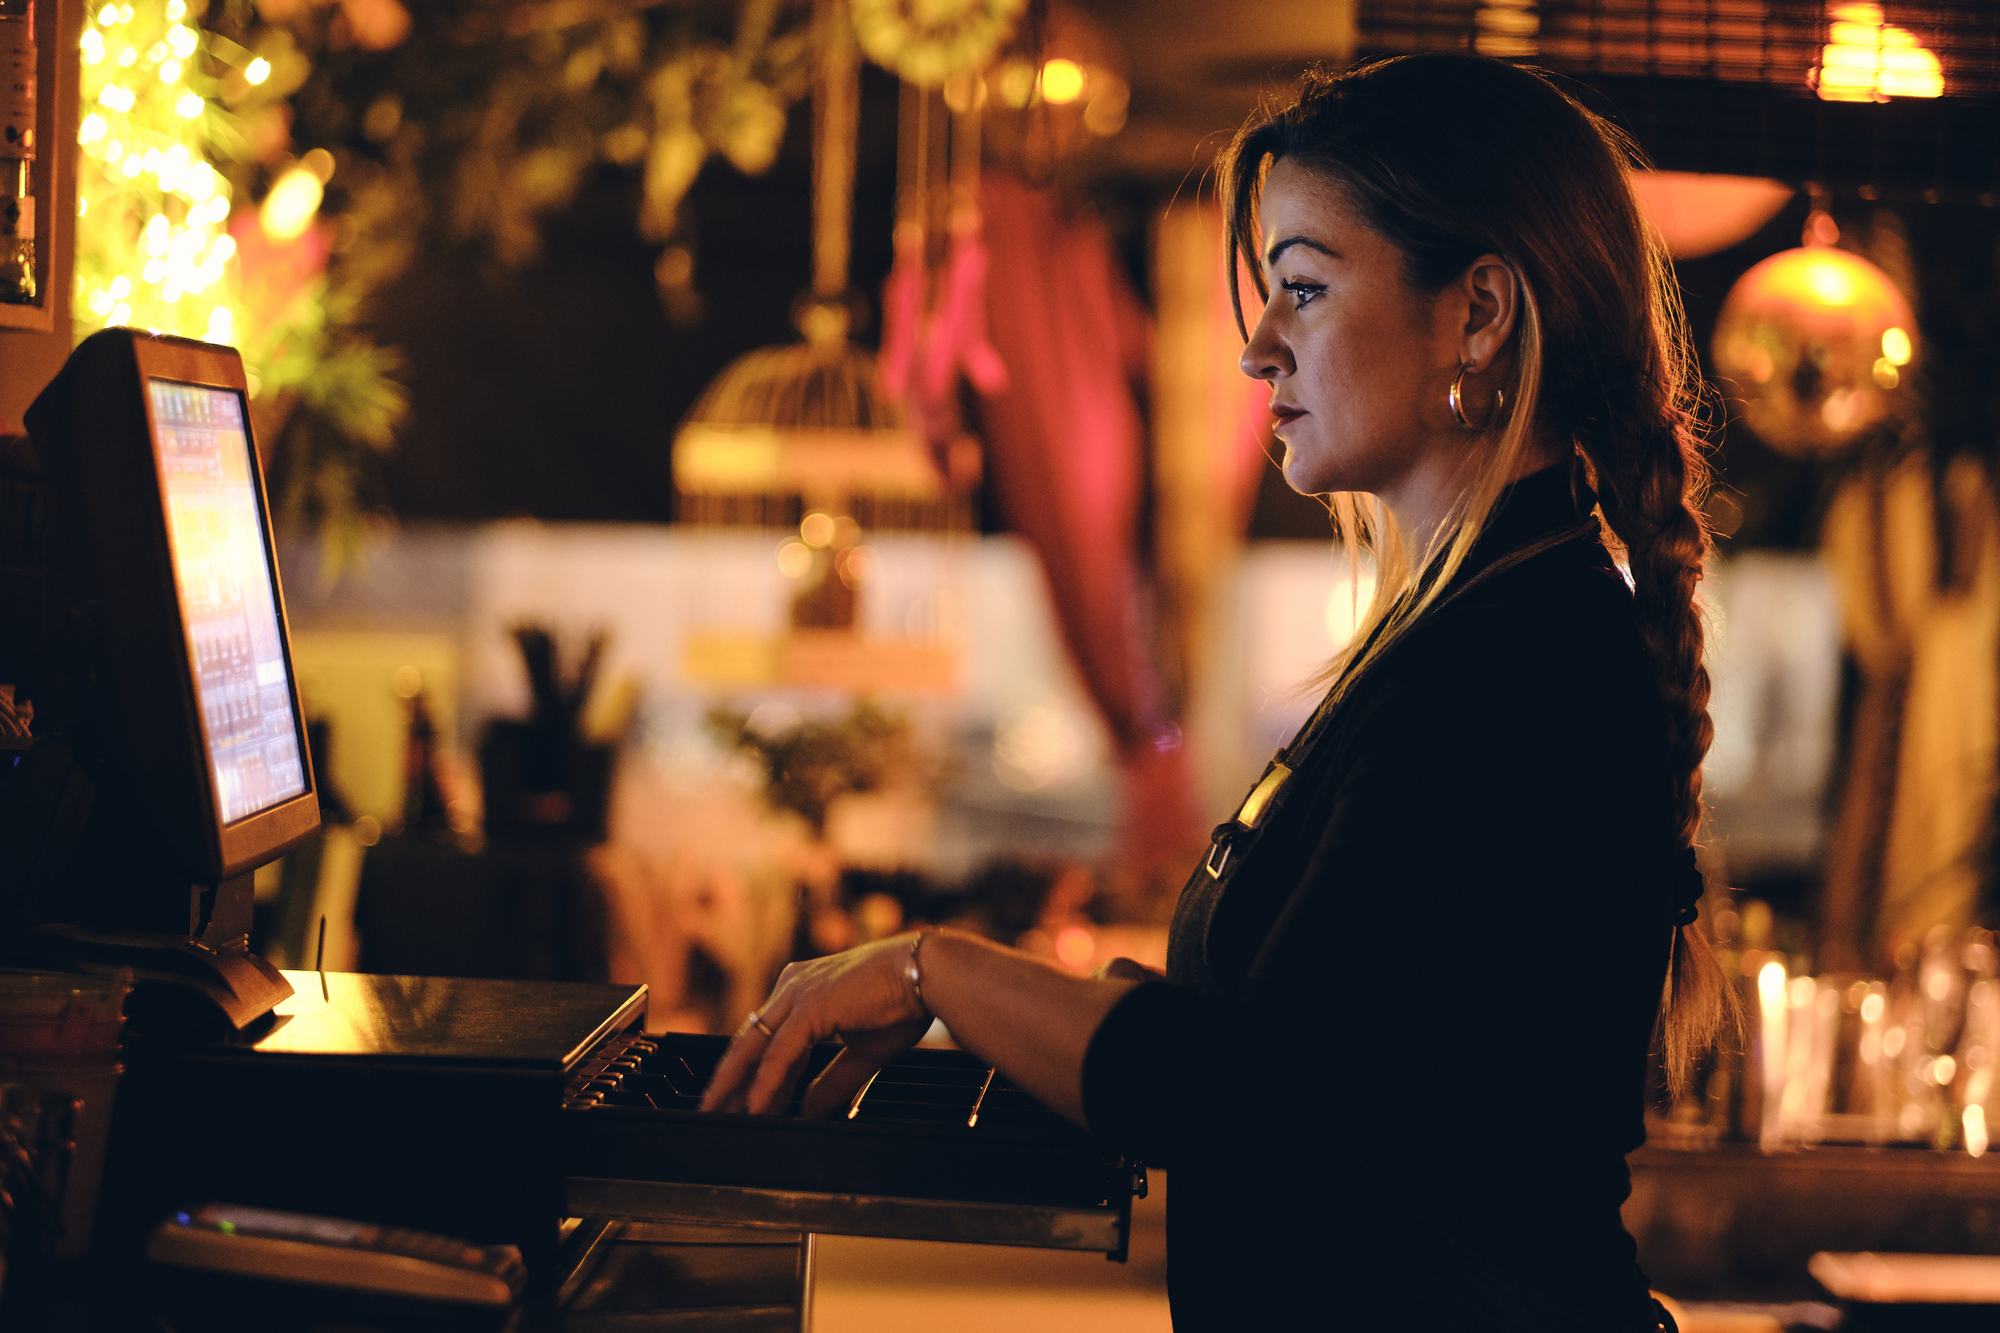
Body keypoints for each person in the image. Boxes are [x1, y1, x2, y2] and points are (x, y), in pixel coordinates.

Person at [701, 52, 1734, 1331]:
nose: (1257, 348)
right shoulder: (1465, 628)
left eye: (1302, 288)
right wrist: (995, 1001)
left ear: (1477, 313)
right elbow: (1314, 1047)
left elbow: (1262, 1100)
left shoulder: (1514, 662)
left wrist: (933, 970)